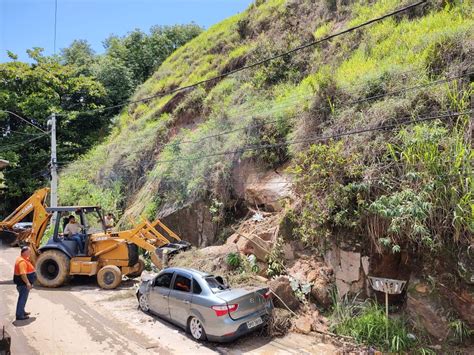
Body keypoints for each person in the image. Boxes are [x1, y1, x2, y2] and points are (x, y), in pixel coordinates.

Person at [13, 246, 36, 320]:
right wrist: (28, 283)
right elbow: (23, 274)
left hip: (23, 284)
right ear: (24, 252)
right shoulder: (22, 262)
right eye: (29, 252)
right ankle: (19, 315)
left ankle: (22, 311)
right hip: (23, 284)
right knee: (22, 299)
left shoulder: (23, 259)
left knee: (23, 299)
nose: (30, 253)